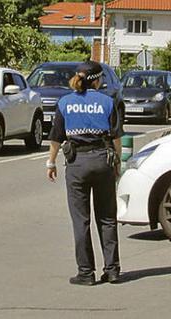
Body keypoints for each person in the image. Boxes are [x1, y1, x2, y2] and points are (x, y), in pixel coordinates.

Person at [46, 61, 124, 286]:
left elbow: (56, 137)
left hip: (77, 164)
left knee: (81, 220)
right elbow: (116, 137)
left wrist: (51, 163)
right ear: (97, 80)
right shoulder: (108, 102)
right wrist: (117, 163)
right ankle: (112, 270)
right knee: (107, 218)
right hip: (102, 161)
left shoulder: (65, 102)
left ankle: (86, 272)